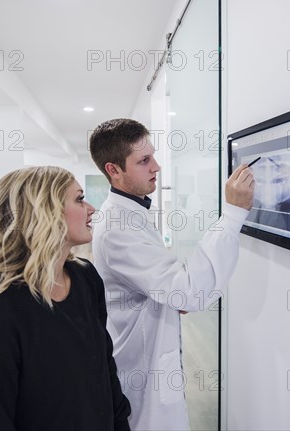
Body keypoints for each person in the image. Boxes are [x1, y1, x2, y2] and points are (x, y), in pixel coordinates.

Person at [89, 118, 255, 430]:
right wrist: (232, 216)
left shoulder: (131, 213)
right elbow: (188, 292)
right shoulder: (117, 228)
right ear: (114, 170)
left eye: (152, 155)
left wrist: (166, 293)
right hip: (141, 373)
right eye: (144, 161)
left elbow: (167, 286)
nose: (157, 167)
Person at [0, 166, 131, 431]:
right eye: (79, 199)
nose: (91, 209)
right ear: (45, 212)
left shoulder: (85, 279)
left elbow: (104, 369)